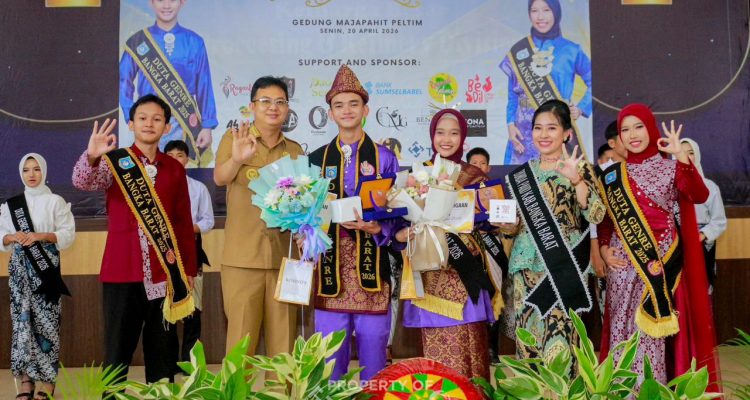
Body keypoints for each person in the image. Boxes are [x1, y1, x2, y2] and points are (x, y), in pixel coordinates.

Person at [72, 94, 197, 384]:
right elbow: (83, 182)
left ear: (167, 127)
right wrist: (91, 156)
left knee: (162, 350)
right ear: (131, 124)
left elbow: (182, 223)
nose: (149, 123)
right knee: (117, 349)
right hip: (121, 272)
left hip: (164, 274)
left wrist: (188, 270)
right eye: (142, 118)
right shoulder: (114, 161)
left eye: (157, 119)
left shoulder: (174, 168)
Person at [597, 104, 719, 387]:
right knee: (621, 330)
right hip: (622, 265)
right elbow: (606, 221)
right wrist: (603, 248)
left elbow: (699, 194)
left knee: (653, 333)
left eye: (638, 127)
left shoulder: (671, 167)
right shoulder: (612, 175)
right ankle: (622, 390)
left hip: (661, 265)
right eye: (625, 130)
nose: (632, 135)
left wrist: (681, 157)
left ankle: (653, 390)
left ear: (651, 129)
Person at [308, 65, 400, 382]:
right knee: (330, 352)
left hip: (371, 264)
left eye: (353, 104)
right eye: (339, 105)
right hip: (330, 266)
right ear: (330, 113)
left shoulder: (385, 157)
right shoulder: (316, 159)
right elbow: (307, 212)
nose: (346, 110)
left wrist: (379, 229)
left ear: (365, 110)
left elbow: (398, 211)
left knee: (374, 346)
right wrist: (305, 231)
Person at [499, 99, 604, 376]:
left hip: (564, 266)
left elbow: (596, 214)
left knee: (562, 339)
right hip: (526, 267)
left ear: (567, 133)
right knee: (529, 340)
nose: (543, 134)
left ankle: (562, 393)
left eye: (552, 128)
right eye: (538, 128)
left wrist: (577, 181)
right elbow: (513, 227)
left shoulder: (581, 169)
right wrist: (506, 226)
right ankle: (533, 391)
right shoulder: (521, 175)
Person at [396, 109, 500, 380]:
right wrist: (403, 233)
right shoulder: (418, 175)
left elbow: (489, 223)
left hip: (467, 272)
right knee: (436, 359)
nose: (446, 139)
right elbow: (399, 220)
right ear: (432, 135)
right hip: (430, 274)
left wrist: (496, 218)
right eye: (440, 132)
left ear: (463, 137)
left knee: (472, 347)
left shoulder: (474, 175)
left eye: (454, 133)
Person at [213, 76, 304, 357]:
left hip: (285, 260)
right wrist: (237, 159)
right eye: (265, 101)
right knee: (241, 343)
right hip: (243, 259)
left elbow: (303, 202)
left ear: (287, 108)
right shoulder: (235, 139)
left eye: (280, 102)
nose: (273, 107)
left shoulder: (295, 150)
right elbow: (220, 178)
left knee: (284, 345)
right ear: (252, 106)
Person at [1, 154, 75, 400]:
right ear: (20, 173)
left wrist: (41, 236)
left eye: (36, 169)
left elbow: (67, 234)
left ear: (44, 171)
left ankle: (47, 381)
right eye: (26, 170)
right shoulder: (10, 205)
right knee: (22, 324)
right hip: (20, 273)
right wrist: (12, 237)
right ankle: (26, 381)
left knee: (47, 324)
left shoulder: (55, 201)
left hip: (46, 272)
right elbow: (1, 235)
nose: (31, 174)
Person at [120, 0, 217, 166]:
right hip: (148, 122)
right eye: (160, 0)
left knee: (180, 173)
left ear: (182, 2)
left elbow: (204, 84)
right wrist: (132, 116)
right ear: (151, 3)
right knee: (147, 171)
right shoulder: (138, 41)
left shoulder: (194, 41)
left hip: (183, 122)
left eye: (172, 0)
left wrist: (207, 126)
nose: (166, 5)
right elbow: (123, 81)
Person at [500, 0, 592, 165]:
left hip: (555, 126)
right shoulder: (519, 50)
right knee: (521, 178)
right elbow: (512, 95)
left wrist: (581, 108)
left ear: (556, 13)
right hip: (523, 130)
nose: (540, 17)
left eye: (546, 10)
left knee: (557, 176)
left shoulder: (571, 50)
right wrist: (510, 124)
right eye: (534, 11)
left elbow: (594, 80)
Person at [165, 139, 214, 363]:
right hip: (164, 253)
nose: (176, 160)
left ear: (188, 159)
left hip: (192, 250)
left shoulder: (198, 188)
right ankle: (168, 362)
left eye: (180, 155)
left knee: (194, 308)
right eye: (170, 155)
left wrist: (186, 229)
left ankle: (189, 361)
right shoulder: (155, 186)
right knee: (167, 308)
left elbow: (208, 221)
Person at [679, 138, 726, 290]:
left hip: (701, 244)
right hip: (674, 244)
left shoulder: (710, 187)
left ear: (697, 155)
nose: (686, 157)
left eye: (690, 152)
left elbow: (719, 221)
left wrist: (701, 235)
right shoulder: (669, 186)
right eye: (681, 153)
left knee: (701, 289)